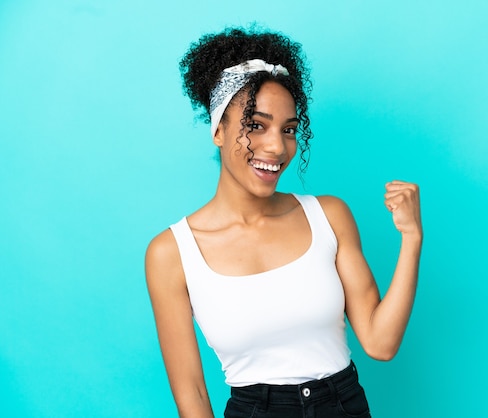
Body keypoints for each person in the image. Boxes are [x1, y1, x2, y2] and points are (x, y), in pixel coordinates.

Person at [145, 26, 423, 418]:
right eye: (255, 125)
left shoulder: (328, 216)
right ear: (218, 129)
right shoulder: (171, 253)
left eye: (289, 130)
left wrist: (411, 238)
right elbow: (192, 395)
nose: (277, 147)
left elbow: (381, 342)